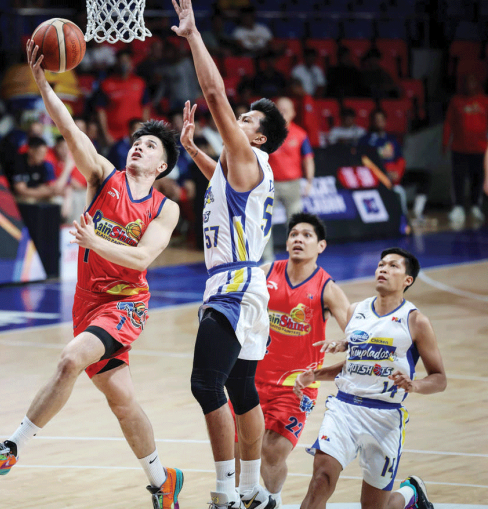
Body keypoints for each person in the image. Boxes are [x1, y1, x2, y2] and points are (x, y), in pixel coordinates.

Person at [0, 38, 185, 509]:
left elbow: (142, 259)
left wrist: (95, 242)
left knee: (70, 359)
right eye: (135, 142)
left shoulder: (164, 209)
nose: (137, 149)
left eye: (148, 146)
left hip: (126, 304)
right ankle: (162, 479)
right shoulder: (103, 175)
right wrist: (43, 82)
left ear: (162, 164)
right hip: (87, 302)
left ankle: (11, 448)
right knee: (122, 401)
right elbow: (67, 127)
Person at [173, 0, 288, 505]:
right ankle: (253, 491)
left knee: (205, 385)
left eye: (244, 120)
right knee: (242, 392)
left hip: (235, 286)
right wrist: (195, 151)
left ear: (258, 136)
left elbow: (214, 92)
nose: (233, 121)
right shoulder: (241, 169)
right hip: (247, 284)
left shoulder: (250, 154)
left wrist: (194, 35)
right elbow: (223, 187)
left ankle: (224, 492)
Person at [296, 247, 446, 509]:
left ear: (407, 280)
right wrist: (316, 375)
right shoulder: (356, 310)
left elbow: (440, 378)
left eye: (392, 266)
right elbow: (355, 363)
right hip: (344, 410)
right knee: (320, 481)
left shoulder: (416, 322)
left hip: (384, 418)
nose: (383, 269)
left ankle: (411, 494)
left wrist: (415, 385)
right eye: (381, 265)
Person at [249, 213, 350, 508]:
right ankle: (247, 499)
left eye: (307, 235)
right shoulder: (267, 272)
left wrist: (345, 344)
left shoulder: (326, 288)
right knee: (241, 449)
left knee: (272, 451)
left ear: (321, 246)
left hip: (295, 386)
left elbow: (356, 333)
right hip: (252, 379)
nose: (298, 239)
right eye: (294, 234)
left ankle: (274, 499)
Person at [261, 97, 314, 264]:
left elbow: (308, 159)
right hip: (270, 185)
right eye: (280, 109)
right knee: (264, 222)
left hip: (293, 185)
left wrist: (309, 182)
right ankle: (267, 258)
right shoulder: (264, 134)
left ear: (293, 113)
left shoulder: (300, 134)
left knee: (296, 225)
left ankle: (298, 256)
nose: (283, 112)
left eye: (286, 109)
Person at [443, 73, 488, 225]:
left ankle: (476, 206)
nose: (470, 85)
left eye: (473, 81)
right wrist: (444, 143)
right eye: (467, 82)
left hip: (480, 148)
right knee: (458, 179)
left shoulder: (484, 101)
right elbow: (449, 123)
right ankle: (458, 207)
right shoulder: (456, 101)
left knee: (478, 178)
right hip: (459, 148)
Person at [358, 109, 409, 229]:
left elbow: (401, 160)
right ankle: (402, 220)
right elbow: (366, 163)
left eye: (382, 120)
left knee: (423, 177)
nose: (380, 123)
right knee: (400, 192)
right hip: (379, 178)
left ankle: (416, 213)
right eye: (377, 120)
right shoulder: (365, 141)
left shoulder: (392, 139)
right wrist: (385, 174)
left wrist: (397, 173)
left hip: (395, 175)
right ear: (372, 122)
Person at [96, 49, 150, 144]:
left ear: (131, 63)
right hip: (113, 135)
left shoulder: (140, 83)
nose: (124, 64)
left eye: (126, 61)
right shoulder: (106, 84)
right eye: (121, 61)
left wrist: (145, 132)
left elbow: (146, 108)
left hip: (136, 133)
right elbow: (101, 110)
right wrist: (106, 134)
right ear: (116, 63)